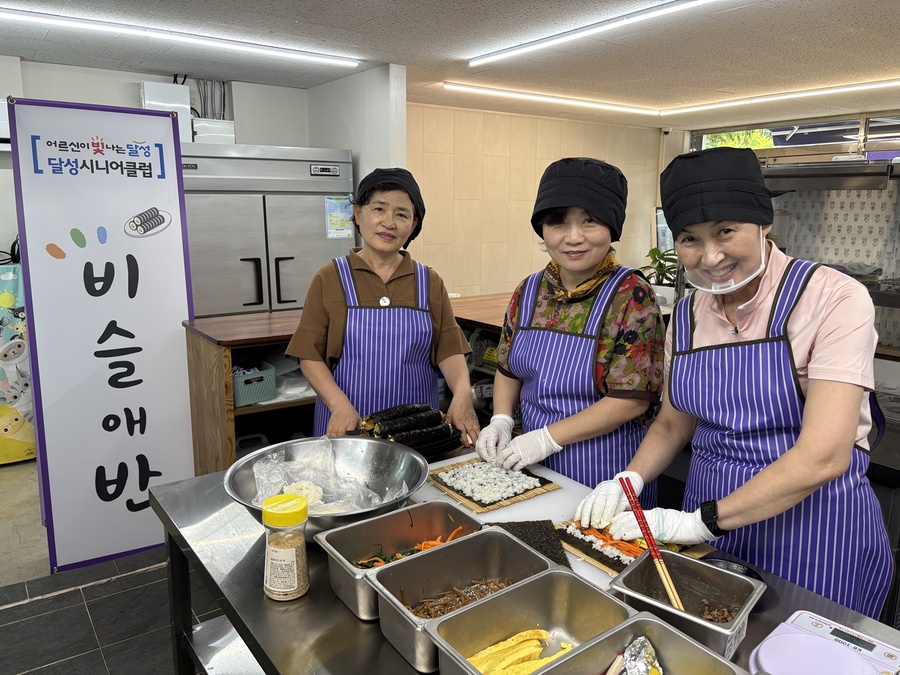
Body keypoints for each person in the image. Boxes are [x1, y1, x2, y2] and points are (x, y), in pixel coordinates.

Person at [577, 146, 892, 617]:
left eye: (726, 231)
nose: (710, 256)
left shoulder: (832, 298)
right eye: (688, 238)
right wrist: (629, 481)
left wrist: (702, 522)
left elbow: (824, 455)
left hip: (812, 532)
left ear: (764, 224)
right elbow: (670, 424)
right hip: (704, 526)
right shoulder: (685, 315)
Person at [475, 157, 665, 503]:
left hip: (604, 476)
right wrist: (501, 418)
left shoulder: (632, 296)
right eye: (558, 222)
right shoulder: (528, 291)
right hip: (532, 468)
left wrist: (546, 438)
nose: (573, 237)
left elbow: (631, 401)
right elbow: (507, 367)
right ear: (542, 229)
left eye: (589, 221)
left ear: (612, 226)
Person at [286, 167, 480, 444]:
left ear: (413, 225)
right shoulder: (330, 278)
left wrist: (462, 396)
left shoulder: (429, 281)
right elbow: (309, 355)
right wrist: (339, 405)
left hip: (416, 431)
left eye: (402, 214)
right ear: (357, 213)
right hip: (348, 425)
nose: (389, 222)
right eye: (379, 209)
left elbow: (449, 350)